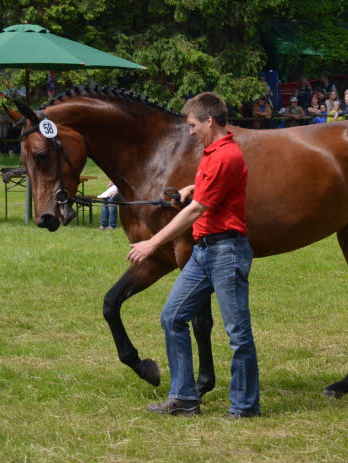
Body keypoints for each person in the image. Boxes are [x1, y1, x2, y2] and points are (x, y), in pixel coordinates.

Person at [129, 92, 259, 418]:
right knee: (172, 317)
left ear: (209, 121)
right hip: (204, 251)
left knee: (237, 334)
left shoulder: (226, 156)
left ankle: (245, 407)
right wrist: (189, 188)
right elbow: (203, 193)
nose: (190, 131)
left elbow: (196, 211)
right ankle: (185, 399)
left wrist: (151, 243)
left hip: (226, 252)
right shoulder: (211, 152)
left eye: (193, 124)